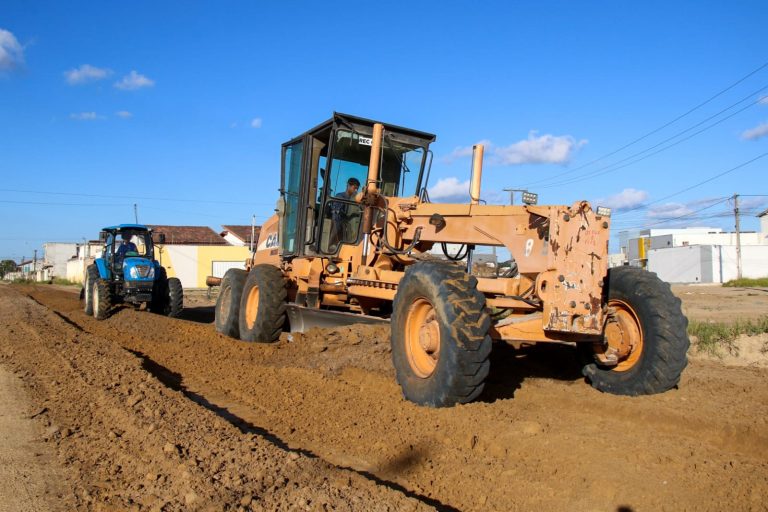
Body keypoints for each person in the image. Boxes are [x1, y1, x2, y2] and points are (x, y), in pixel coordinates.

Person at [329, 177, 361, 246]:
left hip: (349, 226)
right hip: (339, 223)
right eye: (354, 188)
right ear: (348, 185)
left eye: (357, 189)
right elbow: (336, 214)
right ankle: (330, 244)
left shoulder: (354, 200)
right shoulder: (340, 196)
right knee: (337, 225)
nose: (355, 191)